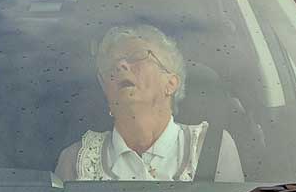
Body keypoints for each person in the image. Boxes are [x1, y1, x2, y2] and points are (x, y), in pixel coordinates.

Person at [56, 23, 242, 182]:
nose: (120, 66)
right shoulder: (76, 160)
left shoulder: (211, 147)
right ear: (106, 91)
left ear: (170, 83)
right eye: (110, 65)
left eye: (137, 56)